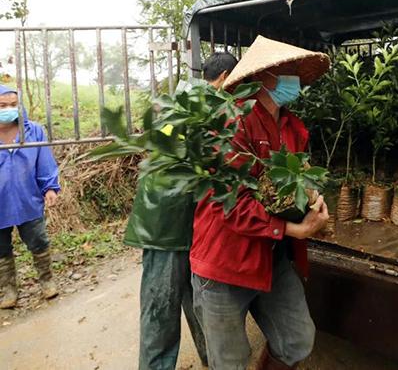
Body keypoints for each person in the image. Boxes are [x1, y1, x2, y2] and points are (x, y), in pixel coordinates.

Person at [190, 36, 330, 370]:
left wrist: (311, 197)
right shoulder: (231, 123)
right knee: (229, 362)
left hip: (270, 255)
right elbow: (232, 205)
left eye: (296, 71)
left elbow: (294, 181)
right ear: (261, 75)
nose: (294, 79)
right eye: (287, 70)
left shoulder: (291, 126)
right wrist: (292, 229)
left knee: (297, 339)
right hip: (226, 261)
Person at [125, 51, 238, 370]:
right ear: (225, 78)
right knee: (163, 306)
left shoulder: (179, 97)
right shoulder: (209, 102)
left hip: (180, 219)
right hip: (168, 225)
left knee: (197, 296)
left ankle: (210, 356)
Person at [0, 84, 61, 309]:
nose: (8, 109)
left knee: (38, 240)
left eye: (13, 105)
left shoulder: (33, 131)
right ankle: (8, 290)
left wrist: (50, 188)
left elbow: (44, 161)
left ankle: (47, 281)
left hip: (28, 198)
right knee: (1, 248)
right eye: (2, 105)